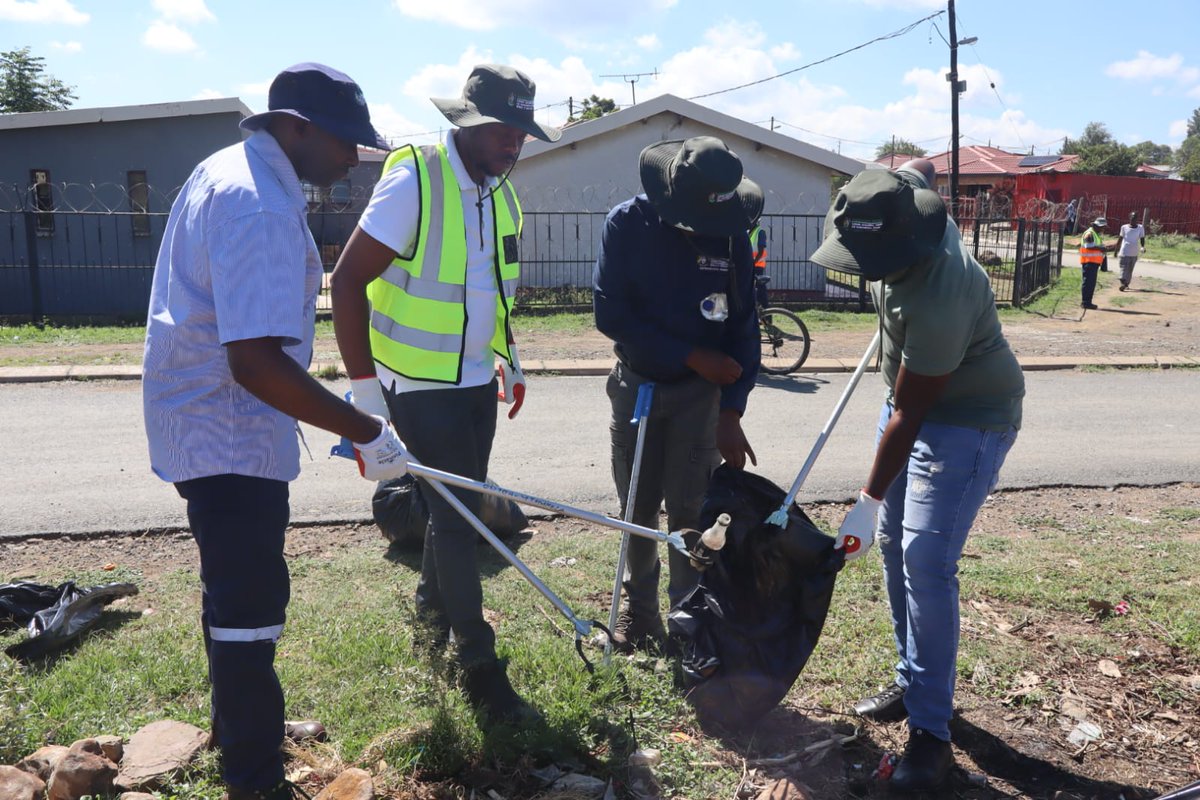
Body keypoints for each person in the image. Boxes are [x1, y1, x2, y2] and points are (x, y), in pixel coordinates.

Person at [142, 63, 408, 800]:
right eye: (345, 142)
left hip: (209, 425)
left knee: (230, 598)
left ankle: (241, 730)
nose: (353, 159)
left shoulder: (232, 173)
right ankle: (255, 783)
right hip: (225, 433)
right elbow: (256, 363)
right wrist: (365, 429)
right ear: (296, 127)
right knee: (249, 609)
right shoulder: (255, 202)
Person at [329, 64, 559, 726]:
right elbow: (347, 285)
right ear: (468, 121)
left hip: (472, 383)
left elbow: (492, 291)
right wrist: (366, 396)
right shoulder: (417, 179)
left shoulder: (501, 194)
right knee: (459, 517)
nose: (514, 144)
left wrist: (508, 361)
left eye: (522, 133)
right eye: (503, 130)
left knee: (451, 507)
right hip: (413, 385)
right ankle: (479, 666)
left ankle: (430, 623)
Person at [811, 159, 1023, 794]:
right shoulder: (903, 205)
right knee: (891, 547)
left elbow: (913, 412)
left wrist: (866, 498)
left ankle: (930, 731)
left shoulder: (941, 289)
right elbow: (917, 169)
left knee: (925, 561)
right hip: (907, 404)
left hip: (965, 418)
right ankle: (913, 681)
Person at [593, 136, 761, 653]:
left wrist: (731, 411)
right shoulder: (628, 223)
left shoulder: (732, 233)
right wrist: (692, 355)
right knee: (637, 508)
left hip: (701, 398)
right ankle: (640, 617)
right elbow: (611, 314)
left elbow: (744, 325)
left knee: (692, 512)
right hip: (639, 386)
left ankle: (686, 621)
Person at [1079, 216, 1108, 309]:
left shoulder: (1095, 233)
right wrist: (1101, 248)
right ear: (1095, 225)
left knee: (1091, 283)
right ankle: (1085, 302)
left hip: (1093, 263)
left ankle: (1087, 302)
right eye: (1101, 227)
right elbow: (1088, 246)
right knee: (1088, 283)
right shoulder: (1089, 234)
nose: (1103, 228)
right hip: (1089, 262)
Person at [1116, 211, 1147, 291]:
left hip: (1134, 253)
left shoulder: (1140, 228)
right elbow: (1120, 239)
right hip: (1124, 252)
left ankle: (1126, 284)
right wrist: (1116, 250)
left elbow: (1142, 238)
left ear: (1137, 219)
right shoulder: (1124, 227)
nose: (1134, 220)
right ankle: (1122, 282)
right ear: (1129, 218)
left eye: (1135, 218)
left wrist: (1143, 247)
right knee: (1123, 268)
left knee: (1130, 270)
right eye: (1132, 218)